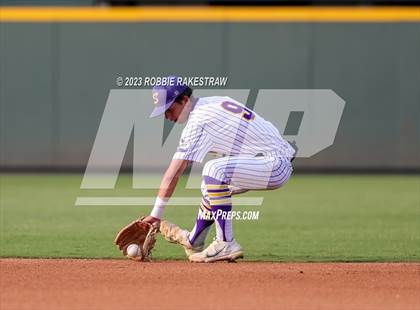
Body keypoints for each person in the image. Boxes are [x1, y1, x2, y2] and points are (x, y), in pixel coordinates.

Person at [143, 76, 295, 262]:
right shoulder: (216, 101)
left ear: (184, 100)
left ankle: (225, 242)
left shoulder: (198, 120)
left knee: (213, 169)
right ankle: (193, 240)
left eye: (169, 109)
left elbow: (174, 173)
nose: (167, 116)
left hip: (273, 164)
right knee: (211, 187)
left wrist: (155, 215)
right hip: (269, 160)